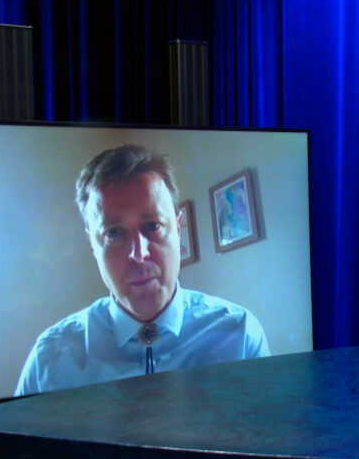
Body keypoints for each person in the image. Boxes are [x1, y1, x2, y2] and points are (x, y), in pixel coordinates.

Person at [15, 144, 269, 396]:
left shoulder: (240, 334)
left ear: (178, 228)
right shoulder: (50, 359)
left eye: (152, 226)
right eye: (113, 233)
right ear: (93, 245)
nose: (139, 254)